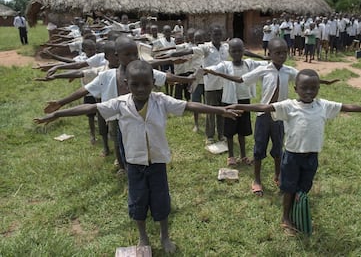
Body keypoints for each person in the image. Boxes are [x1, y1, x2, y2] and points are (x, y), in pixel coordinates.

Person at [34, 60, 241, 253]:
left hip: (157, 162)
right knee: (137, 200)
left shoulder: (161, 101)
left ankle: (164, 236)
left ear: (153, 82)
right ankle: (143, 237)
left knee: (161, 200)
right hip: (134, 164)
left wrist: (218, 110)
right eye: (135, 85)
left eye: (146, 84)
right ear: (126, 84)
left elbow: (188, 105)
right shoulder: (119, 104)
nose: (141, 89)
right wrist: (58, 113)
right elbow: (91, 107)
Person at [226, 69, 361, 235]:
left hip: (311, 156)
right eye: (304, 88)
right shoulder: (288, 106)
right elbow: (265, 106)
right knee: (289, 189)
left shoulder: (323, 105)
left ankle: (298, 213)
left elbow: (347, 107)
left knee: (303, 188)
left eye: (313, 88)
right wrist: (239, 106)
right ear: (295, 88)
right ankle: (285, 218)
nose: (309, 92)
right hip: (292, 157)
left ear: (318, 89)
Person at [205, 37, 339, 196]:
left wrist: (325, 82)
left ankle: (278, 175)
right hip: (264, 116)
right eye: (278, 53)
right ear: (269, 54)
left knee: (278, 149)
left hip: (281, 117)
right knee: (259, 149)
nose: (282, 56)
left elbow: (307, 78)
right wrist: (217, 73)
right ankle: (257, 180)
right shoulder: (263, 69)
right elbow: (241, 79)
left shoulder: (289, 71)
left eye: (284, 53)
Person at [42, 36, 197, 172]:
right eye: (127, 54)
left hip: (137, 115)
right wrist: (60, 103)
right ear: (117, 56)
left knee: (137, 141)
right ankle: (124, 166)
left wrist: (188, 79)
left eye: (135, 54)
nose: (132, 57)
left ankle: (140, 164)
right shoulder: (107, 75)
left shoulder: (141, 71)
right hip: (116, 114)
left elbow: (166, 77)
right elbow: (85, 89)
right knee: (118, 142)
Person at [203, 38, 267, 166]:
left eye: (239, 50)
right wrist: (203, 71)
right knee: (230, 132)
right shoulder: (225, 65)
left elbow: (264, 66)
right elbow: (212, 69)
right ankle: (231, 156)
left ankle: (243, 156)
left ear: (243, 50)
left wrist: (269, 60)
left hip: (244, 102)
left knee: (243, 131)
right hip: (230, 102)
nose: (237, 53)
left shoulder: (249, 64)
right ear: (229, 52)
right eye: (234, 51)